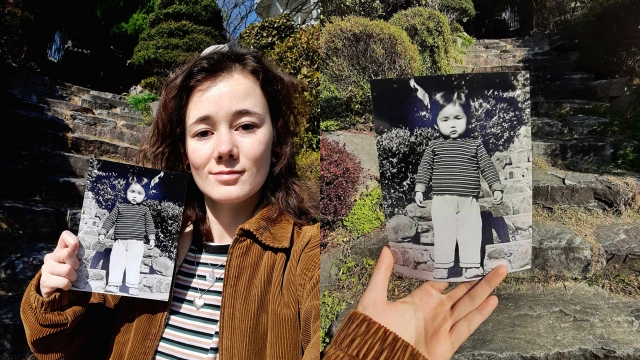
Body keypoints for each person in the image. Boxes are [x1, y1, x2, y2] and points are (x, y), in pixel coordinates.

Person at [20, 45, 507, 360]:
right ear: (184, 150)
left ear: (276, 141)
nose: (225, 148)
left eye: (247, 125)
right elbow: (57, 349)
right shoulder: (149, 239)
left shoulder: (303, 253)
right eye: (203, 131)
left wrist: (374, 350)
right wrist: (56, 292)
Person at [414, 90, 503, 280]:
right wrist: (420, 189)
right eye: (445, 120)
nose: (452, 124)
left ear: (467, 119)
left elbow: (487, 165)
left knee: (470, 231)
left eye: (457, 118)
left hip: (469, 201)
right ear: (436, 123)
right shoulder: (434, 146)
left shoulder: (475, 144)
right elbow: (425, 168)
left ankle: (471, 266)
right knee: (444, 232)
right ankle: (443, 266)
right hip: (442, 200)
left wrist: (495, 186)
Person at [98, 175, 156, 296]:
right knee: (116, 261)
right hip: (119, 242)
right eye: (132, 191)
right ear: (126, 192)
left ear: (145, 196)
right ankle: (113, 284)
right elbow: (110, 219)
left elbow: (150, 224)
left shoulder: (145, 210)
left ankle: (133, 286)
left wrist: (151, 238)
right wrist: (103, 232)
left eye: (139, 193)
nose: (135, 195)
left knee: (134, 263)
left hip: (137, 243)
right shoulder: (119, 207)